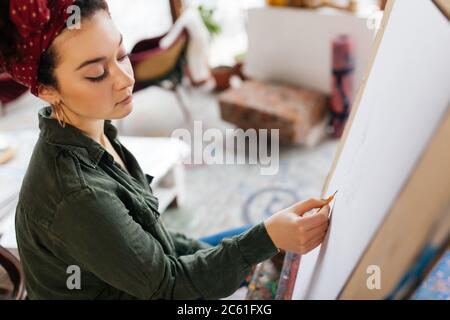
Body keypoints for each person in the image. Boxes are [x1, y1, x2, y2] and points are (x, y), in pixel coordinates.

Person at [0, 0, 330, 299]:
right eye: (96, 74)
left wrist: (252, 250)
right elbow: (169, 287)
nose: (124, 79)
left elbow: (157, 241)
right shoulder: (77, 195)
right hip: (159, 290)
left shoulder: (95, 134)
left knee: (267, 238)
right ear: (46, 91)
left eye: (121, 54)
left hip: (151, 278)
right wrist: (259, 245)